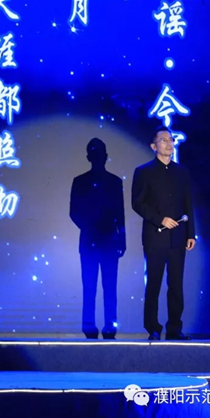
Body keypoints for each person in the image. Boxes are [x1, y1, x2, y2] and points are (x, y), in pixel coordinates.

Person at [131, 127, 195, 341]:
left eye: (171, 139)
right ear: (154, 146)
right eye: (164, 140)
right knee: (154, 283)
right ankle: (153, 328)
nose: (169, 143)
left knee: (176, 284)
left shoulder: (182, 172)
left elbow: (188, 204)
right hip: (155, 236)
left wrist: (191, 233)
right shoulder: (144, 171)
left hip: (178, 236)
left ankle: (175, 329)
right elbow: (137, 203)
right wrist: (160, 219)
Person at [70, 138, 126, 340]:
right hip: (93, 242)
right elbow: (74, 212)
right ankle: (92, 326)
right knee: (93, 286)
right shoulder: (81, 182)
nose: (97, 158)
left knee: (105, 287)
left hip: (102, 242)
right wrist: (94, 228)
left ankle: (106, 326)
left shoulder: (113, 182)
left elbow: (120, 215)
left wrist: (121, 240)